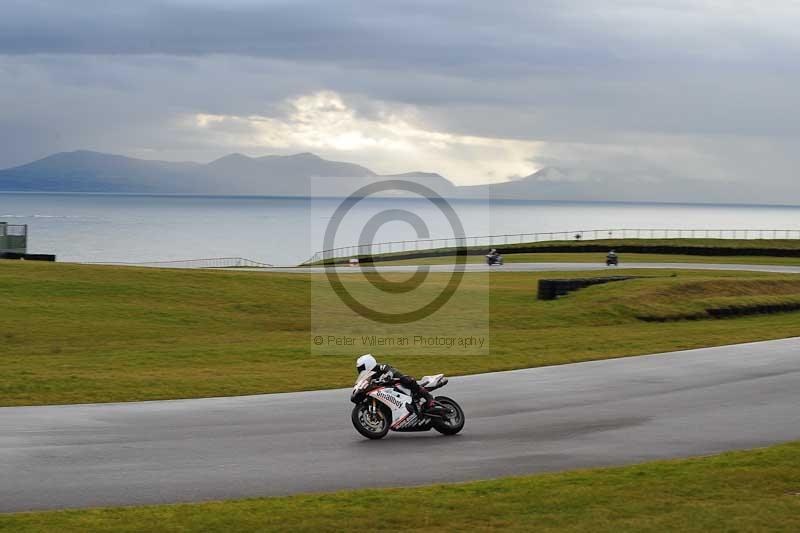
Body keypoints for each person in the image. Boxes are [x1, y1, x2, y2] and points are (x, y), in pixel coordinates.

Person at [356, 354, 434, 412]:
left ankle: (428, 397)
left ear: (368, 364)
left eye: (361, 368)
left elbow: (392, 371)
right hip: (387, 391)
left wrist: (388, 376)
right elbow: (365, 383)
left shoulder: (381, 367)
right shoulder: (369, 376)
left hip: (396, 382)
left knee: (406, 379)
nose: (360, 370)